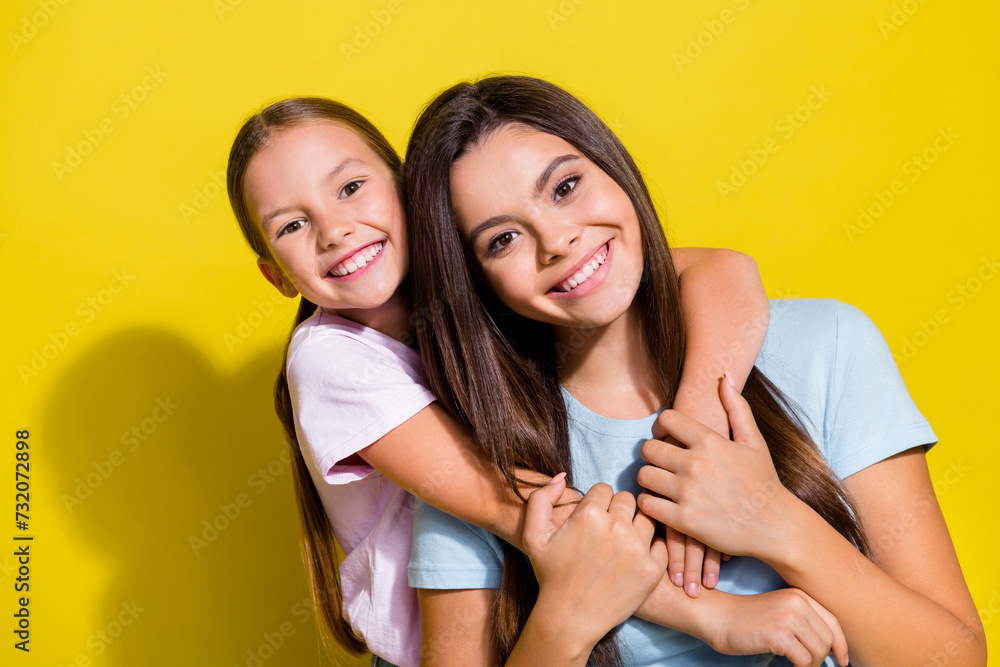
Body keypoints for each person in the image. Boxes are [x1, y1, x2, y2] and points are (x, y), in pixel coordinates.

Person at [403, 75, 987, 666]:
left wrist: (777, 523)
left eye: (566, 186)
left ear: (614, 167)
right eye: (502, 239)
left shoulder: (826, 345)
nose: (556, 240)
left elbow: (955, 658)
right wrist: (565, 618)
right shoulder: (478, 463)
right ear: (475, 281)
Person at [225, 96, 774, 666]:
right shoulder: (326, 361)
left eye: (350, 188)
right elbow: (523, 510)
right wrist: (716, 615)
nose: (334, 230)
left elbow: (720, 269)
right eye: (292, 225)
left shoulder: (488, 269)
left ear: (410, 190)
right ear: (277, 276)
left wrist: (699, 438)